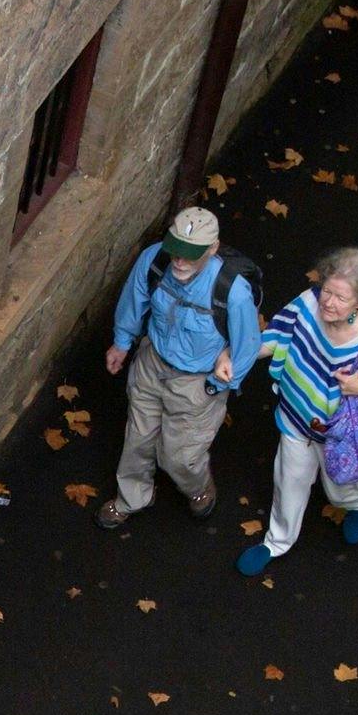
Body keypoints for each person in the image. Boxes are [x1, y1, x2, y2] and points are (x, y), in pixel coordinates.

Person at [238, 244, 358, 577]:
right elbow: (276, 336)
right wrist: (234, 357)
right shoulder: (309, 302)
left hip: (340, 434)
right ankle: (276, 542)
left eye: (340, 298)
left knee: (340, 488)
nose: (328, 302)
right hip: (297, 420)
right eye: (327, 290)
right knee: (289, 481)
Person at [96, 205, 262, 532]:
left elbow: (248, 344)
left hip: (197, 382)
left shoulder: (233, 292)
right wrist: (122, 342)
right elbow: (135, 299)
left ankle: (197, 487)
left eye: (190, 255)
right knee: (138, 439)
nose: (179, 261)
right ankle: (133, 497)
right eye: (176, 251)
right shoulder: (155, 259)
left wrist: (220, 382)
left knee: (179, 456)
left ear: (212, 249)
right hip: (152, 363)